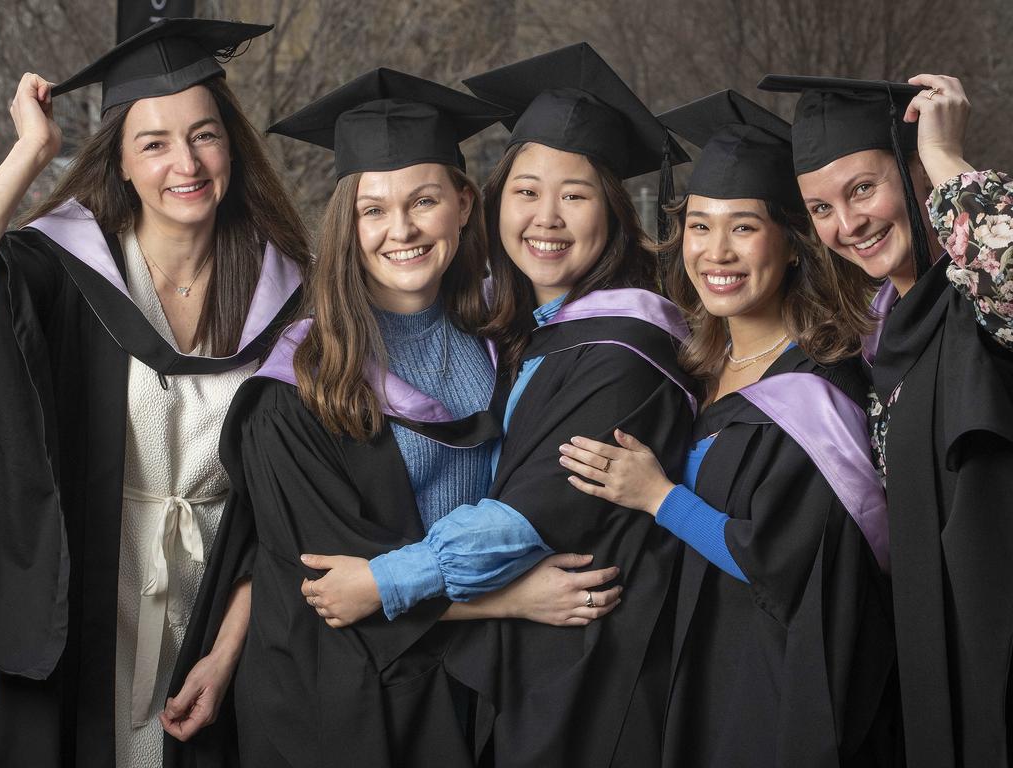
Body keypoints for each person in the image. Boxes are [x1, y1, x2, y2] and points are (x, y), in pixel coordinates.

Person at [294, 44, 700, 767]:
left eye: (575, 194)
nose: (546, 217)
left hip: (592, 671)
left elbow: (532, 513)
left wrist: (384, 580)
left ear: (612, 208)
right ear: (494, 198)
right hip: (519, 673)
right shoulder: (517, 329)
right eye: (527, 190)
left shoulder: (622, 354)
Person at [211, 68, 624, 768]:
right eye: (373, 210)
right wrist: (513, 600)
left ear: (464, 204)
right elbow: (336, 589)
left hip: (475, 688)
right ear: (349, 222)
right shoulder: (300, 384)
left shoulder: (509, 340)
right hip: (342, 703)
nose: (400, 229)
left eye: (424, 200)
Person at [0, 19, 309, 768]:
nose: (186, 163)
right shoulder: (66, 271)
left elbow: (291, 510)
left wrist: (227, 651)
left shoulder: (288, 295)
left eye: (204, 135)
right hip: (91, 602)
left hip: (218, 614)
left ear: (231, 146)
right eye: (154, 143)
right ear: (121, 163)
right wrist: (30, 152)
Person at [558, 89, 895, 767]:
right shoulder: (690, 365)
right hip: (683, 674)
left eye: (743, 227)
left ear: (793, 245)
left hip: (771, 687)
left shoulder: (821, 391)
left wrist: (659, 497)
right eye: (701, 226)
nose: (717, 251)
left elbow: (784, 558)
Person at [759, 73, 1013, 766]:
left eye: (864, 189)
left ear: (911, 170)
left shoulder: (977, 307)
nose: (848, 224)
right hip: (937, 675)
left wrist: (946, 158)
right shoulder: (884, 342)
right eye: (820, 208)